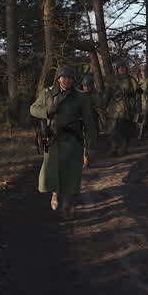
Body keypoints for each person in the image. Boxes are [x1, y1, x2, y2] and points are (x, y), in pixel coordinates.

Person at [29, 66, 96, 218]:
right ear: (58, 78)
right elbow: (33, 109)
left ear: (74, 80)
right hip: (52, 139)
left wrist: (90, 146)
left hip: (73, 140)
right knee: (52, 171)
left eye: (70, 78)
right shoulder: (47, 93)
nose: (67, 80)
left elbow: (89, 122)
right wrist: (46, 111)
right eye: (64, 77)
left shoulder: (81, 97)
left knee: (71, 173)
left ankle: (68, 203)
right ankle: (55, 193)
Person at [106, 63, 139, 156]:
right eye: (120, 68)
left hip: (127, 107)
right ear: (117, 69)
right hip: (114, 107)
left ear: (126, 69)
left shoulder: (131, 79)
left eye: (123, 68)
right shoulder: (113, 80)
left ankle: (124, 148)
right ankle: (114, 147)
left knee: (125, 128)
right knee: (113, 129)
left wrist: (136, 104)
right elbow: (108, 93)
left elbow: (138, 92)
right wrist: (103, 105)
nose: (122, 70)